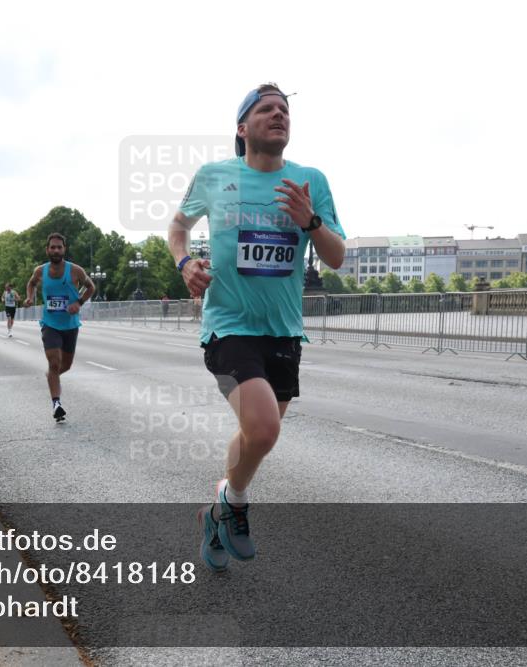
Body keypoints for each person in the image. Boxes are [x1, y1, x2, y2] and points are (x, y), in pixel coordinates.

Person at [168, 83, 346, 572]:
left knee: (254, 434)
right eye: (266, 109)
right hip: (228, 327)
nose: (278, 115)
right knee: (265, 429)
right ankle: (236, 504)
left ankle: (216, 512)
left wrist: (311, 222)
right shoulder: (214, 176)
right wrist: (184, 263)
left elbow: (336, 257)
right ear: (242, 128)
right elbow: (178, 227)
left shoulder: (310, 181)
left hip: (284, 331)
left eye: (284, 109)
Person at [24, 233, 95, 422]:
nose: (56, 250)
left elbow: (91, 287)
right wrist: (30, 297)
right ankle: (56, 404)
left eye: (59, 247)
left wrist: (78, 303)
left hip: (70, 325)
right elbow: (31, 283)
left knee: (66, 365)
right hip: (50, 324)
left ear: (64, 249)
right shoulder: (40, 271)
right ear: (47, 250)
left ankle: (51, 376)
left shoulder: (75, 271)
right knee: (54, 363)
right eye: (52, 247)